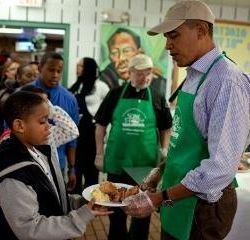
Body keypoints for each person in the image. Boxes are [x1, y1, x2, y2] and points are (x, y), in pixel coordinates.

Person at [123, 1, 250, 240]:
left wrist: (159, 198)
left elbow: (221, 167)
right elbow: (184, 142)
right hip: (177, 195)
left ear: (201, 30)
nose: (168, 45)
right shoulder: (193, 74)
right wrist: (160, 172)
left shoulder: (226, 81)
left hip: (202, 209)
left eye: (174, 36)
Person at [0, 91, 112, 240]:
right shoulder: (13, 174)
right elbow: (29, 229)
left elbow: (49, 197)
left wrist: (82, 203)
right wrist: (80, 217)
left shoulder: (39, 152)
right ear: (19, 125)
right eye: (42, 122)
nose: (49, 127)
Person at [95, 54, 172, 240]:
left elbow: (166, 127)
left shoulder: (158, 97)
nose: (145, 78)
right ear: (129, 73)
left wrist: (164, 151)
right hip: (118, 163)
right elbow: (100, 126)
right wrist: (99, 154)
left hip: (145, 167)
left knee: (142, 213)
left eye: (149, 73)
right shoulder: (115, 94)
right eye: (140, 74)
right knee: (116, 210)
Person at [31, 52, 79, 191]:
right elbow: (9, 130)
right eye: (51, 70)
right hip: (28, 161)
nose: (55, 75)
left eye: (59, 71)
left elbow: (72, 139)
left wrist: (72, 168)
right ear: (40, 68)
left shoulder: (69, 99)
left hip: (58, 161)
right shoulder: (24, 95)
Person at [69, 57, 109, 193]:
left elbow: (107, 113)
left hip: (91, 136)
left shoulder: (101, 86)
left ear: (88, 68)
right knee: (76, 170)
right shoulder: (76, 86)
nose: (77, 68)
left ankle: (91, 203)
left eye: (80, 66)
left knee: (91, 173)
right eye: (77, 65)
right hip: (76, 136)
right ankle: (75, 203)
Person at [101, 28, 167, 96]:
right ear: (110, 57)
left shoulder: (159, 84)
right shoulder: (104, 80)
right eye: (114, 52)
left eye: (127, 51)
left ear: (139, 53)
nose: (121, 58)